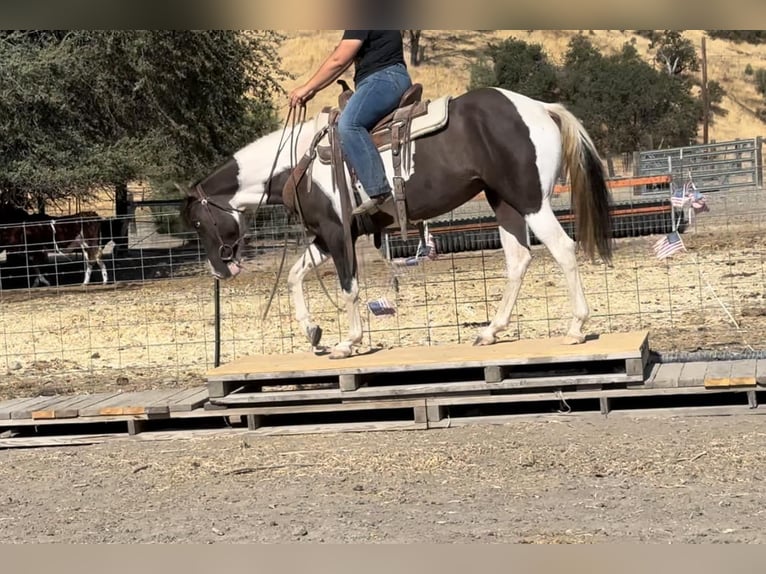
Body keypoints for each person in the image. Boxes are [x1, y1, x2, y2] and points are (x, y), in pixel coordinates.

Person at [288, 30, 412, 216]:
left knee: (348, 125)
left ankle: (379, 191)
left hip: (383, 78)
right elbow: (342, 63)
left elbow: (340, 59)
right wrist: (314, 89)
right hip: (390, 77)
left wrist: (305, 88)